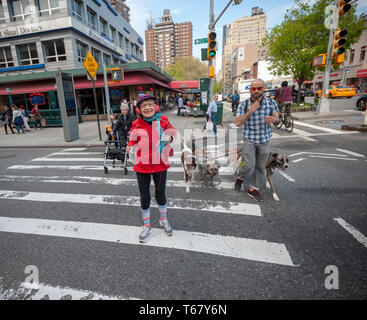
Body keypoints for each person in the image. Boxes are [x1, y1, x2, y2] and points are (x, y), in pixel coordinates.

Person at [126, 94, 177, 243]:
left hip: (160, 164)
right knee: (144, 196)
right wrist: (129, 147)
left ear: (155, 106)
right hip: (142, 165)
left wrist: (169, 137)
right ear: (139, 110)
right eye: (143, 106)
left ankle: (163, 220)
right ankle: (147, 225)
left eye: (150, 104)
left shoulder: (163, 120)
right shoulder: (136, 124)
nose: (147, 107)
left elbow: (173, 133)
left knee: (160, 194)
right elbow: (132, 140)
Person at [234, 78, 280, 202]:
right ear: (250, 90)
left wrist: (275, 120)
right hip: (249, 139)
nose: (255, 91)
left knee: (260, 167)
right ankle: (240, 178)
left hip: (264, 140)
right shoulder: (244, 104)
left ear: (263, 89)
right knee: (248, 165)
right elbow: (238, 122)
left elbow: (277, 119)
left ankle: (253, 189)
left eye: (258, 88)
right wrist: (251, 111)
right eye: (253, 88)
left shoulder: (271, 103)